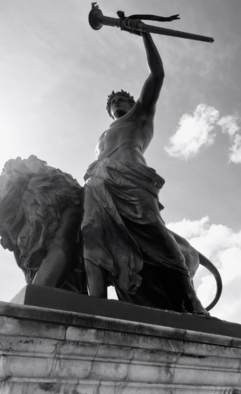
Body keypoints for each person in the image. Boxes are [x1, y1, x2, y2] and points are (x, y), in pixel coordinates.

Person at [81, 18, 207, 314]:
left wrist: (145, 35)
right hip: (99, 185)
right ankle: (95, 303)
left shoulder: (142, 114)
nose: (118, 103)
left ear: (132, 101)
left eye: (123, 98)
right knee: (89, 235)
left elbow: (157, 74)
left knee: (154, 231)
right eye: (113, 103)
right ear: (109, 110)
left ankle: (190, 298)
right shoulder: (103, 136)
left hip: (133, 179)